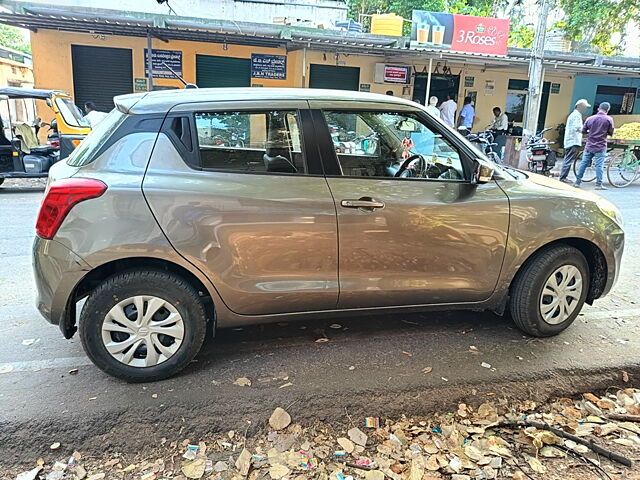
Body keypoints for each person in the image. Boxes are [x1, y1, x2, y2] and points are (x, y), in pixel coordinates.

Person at [574, 102, 615, 190]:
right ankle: (598, 185)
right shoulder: (609, 119)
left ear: (598, 109)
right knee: (599, 165)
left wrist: (591, 132)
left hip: (589, 146)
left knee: (583, 164)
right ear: (607, 110)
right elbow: (611, 132)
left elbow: (584, 131)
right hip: (601, 146)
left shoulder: (590, 119)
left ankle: (577, 182)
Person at [559, 99, 590, 183]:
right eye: (584, 107)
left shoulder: (574, 115)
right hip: (573, 141)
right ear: (579, 106)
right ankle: (563, 178)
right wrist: (587, 132)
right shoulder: (576, 115)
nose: (585, 109)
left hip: (571, 140)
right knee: (568, 160)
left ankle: (563, 177)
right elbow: (577, 128)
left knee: (567, 159)